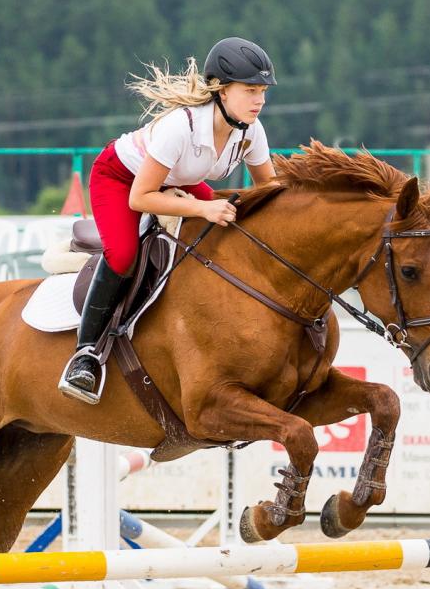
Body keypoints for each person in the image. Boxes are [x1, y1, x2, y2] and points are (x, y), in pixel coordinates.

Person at [59, 37, 278, 404]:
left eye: (263, 92)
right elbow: (141, 198)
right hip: (122, 179)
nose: (260, 101)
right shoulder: (181, 126)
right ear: (222, 91)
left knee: (232, 228)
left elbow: (270, 189)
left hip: (177, 179)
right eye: (251, 90)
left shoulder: (251, 131)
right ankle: (86, 355)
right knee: (123, 255)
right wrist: (204, 209)